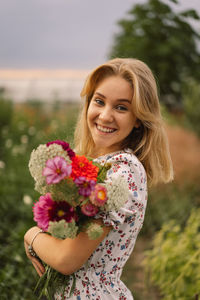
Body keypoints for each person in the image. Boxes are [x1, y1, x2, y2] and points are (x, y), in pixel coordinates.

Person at [24, 58, 174, 299]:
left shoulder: (122, 173)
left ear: (138, 118)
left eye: (121, 107)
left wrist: (31, 235)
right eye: (99, 101)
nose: (105, 116)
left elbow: (66, 259)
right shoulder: (97, 166)